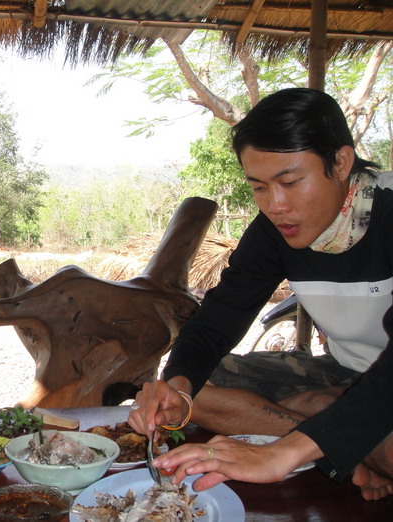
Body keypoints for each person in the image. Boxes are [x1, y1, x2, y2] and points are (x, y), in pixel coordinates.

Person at [128, 87, 393, 501]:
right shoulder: (274, 231)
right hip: (344, 374)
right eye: (259, 187)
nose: (276, 205)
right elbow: (219, 319)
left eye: (289, 181)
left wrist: (281, 453)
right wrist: (176, 386)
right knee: (196, 392)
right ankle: (339, 439)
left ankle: (327, 429)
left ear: (340, 161)